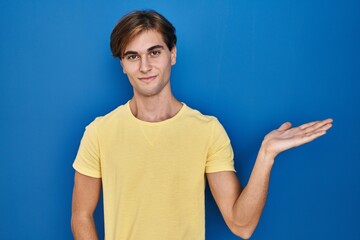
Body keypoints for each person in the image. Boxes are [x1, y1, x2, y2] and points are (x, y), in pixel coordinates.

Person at [71, 10, 333, 240]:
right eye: (133, 56)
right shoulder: (99, 132)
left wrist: (266, 155)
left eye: (155, 52)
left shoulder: (207, 130)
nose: (145, 66)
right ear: (122, 66)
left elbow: (241, 225)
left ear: (172, 54)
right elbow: (81, 216)